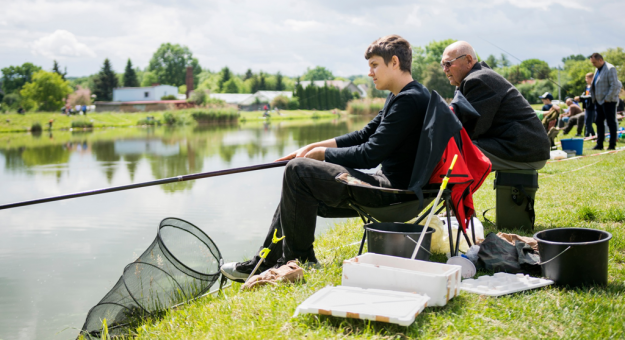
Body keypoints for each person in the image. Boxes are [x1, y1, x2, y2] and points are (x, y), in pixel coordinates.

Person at [220, 35, 431, 281]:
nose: (370, 73)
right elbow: (364, 134)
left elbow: (371, 153)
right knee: (296, 188)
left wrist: (322, 155)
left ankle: (299, 261)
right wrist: (314, 145)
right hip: (388, 185)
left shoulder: (409, 100)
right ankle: (265, 262)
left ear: (394, 62)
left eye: (374, 65)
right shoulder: (401, 95)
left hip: (394, 193)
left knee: (298, 171)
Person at [441, 41, 550, 171]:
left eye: (448, 63)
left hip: (523, 150)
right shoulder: (473, 79)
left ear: (468, 60)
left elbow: (470, 130)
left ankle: (445, 192)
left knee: (452, 152)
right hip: (518, 147)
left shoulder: (478, 80)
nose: (445, 69)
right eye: (442, 65)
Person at [589, 53, 622, 150]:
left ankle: (612, 145)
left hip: (608, 101)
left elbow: (614, 85)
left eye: (594, 62)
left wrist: (607, 98)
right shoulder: (597, 69)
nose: (593, 64)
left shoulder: (610, 68)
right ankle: (600, 144)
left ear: (600, 60)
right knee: (598, 122)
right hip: (598, 101)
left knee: (611, 122)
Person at [575, 72, 596, 137]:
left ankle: (587, 135)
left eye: (587, 78)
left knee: (588, 122)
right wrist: (579, 98)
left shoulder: (594, 86)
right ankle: (593, 134)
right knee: (587, 121)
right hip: (586, 106)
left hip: (592, 106)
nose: (586, 80)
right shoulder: (587, 86)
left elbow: (591, 96)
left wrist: (580, 97)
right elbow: (584, 95)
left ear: (591, 78)